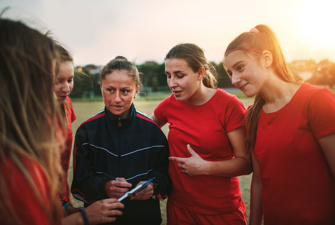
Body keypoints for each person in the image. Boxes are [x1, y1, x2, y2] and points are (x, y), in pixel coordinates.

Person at [0, 18, 124, 225]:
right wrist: (83, 218)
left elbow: (61, 163)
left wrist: (63, 203)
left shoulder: (65, 107)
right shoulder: (16, 166)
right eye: (54, 80)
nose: (66, 88)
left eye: (70, 80)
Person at [223, 24, 335, 225]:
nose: (235, 79)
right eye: (230, 72)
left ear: (267, 58)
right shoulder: (252, 117)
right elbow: (258, 181)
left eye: (240, 68)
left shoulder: (316, 100)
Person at [151, 43, 251, 225]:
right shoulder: (169, 104)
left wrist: (205, 167)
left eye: (180, 76)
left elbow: (246, 163)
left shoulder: (229, 105)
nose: (172, 83)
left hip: (220, 211)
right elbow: (144, 131)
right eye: (168, 76)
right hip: (179, 208)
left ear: (200, 73)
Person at [71, 57, 171, 225]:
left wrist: (153, 187)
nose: (117, 98)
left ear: (136, 90)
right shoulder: (86, 131)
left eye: (124, 91)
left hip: (145, 219)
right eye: (110, 90)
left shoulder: (153, 131)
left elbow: (166, 177)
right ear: (101, 87)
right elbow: (78, 185)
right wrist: (103, 186)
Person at [53, 42, 76, 207]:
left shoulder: (67, 103)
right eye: (58, 81)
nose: (67, 88)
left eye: (70, 80)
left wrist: (67, 195)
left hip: (62, 196)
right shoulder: (26, 116)